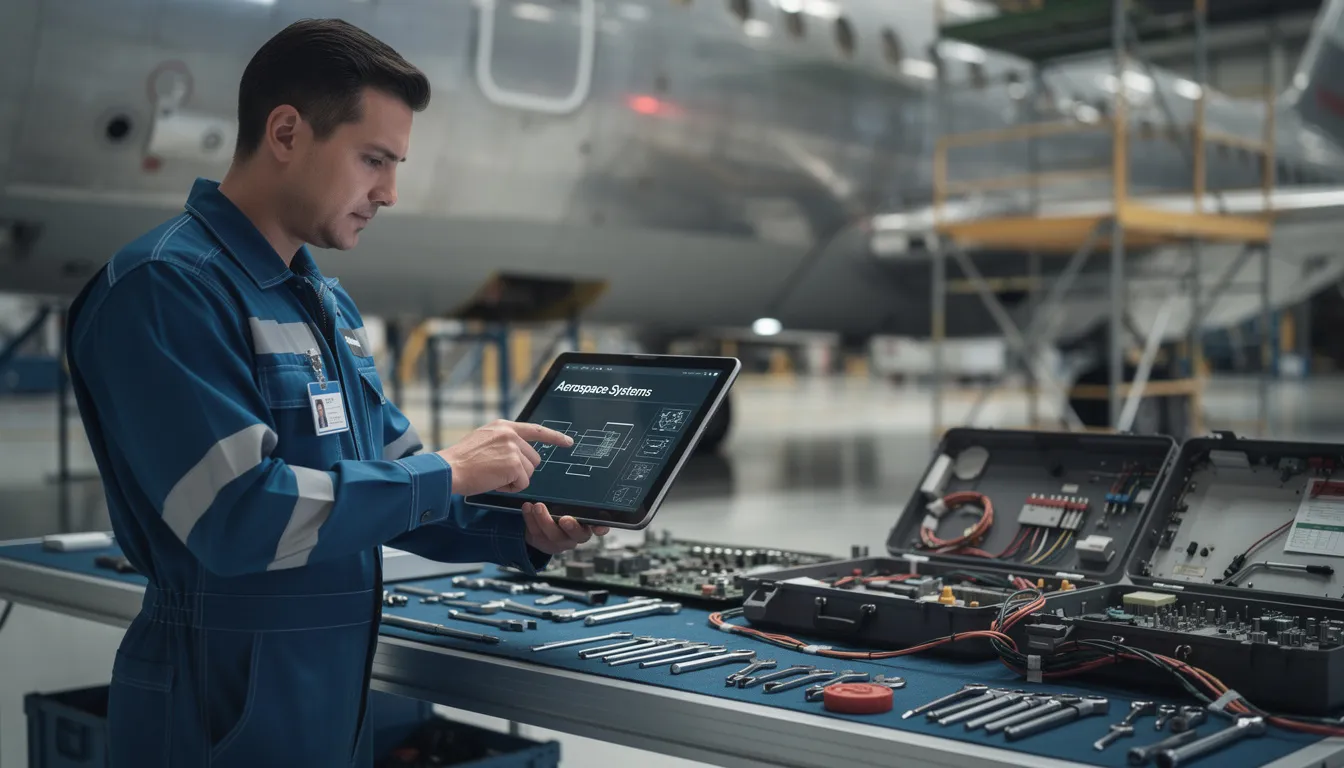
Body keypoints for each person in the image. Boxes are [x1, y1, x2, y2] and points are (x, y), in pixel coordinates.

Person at [65, 18, 607, 768]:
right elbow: (238, 517)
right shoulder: (167, 289)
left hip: (328, 693)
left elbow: (394, 484)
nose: (388, 192)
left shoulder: (323, 303)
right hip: (213, 699)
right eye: (373, 160)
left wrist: (519, 529)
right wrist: (449, 469)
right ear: (286, 132)